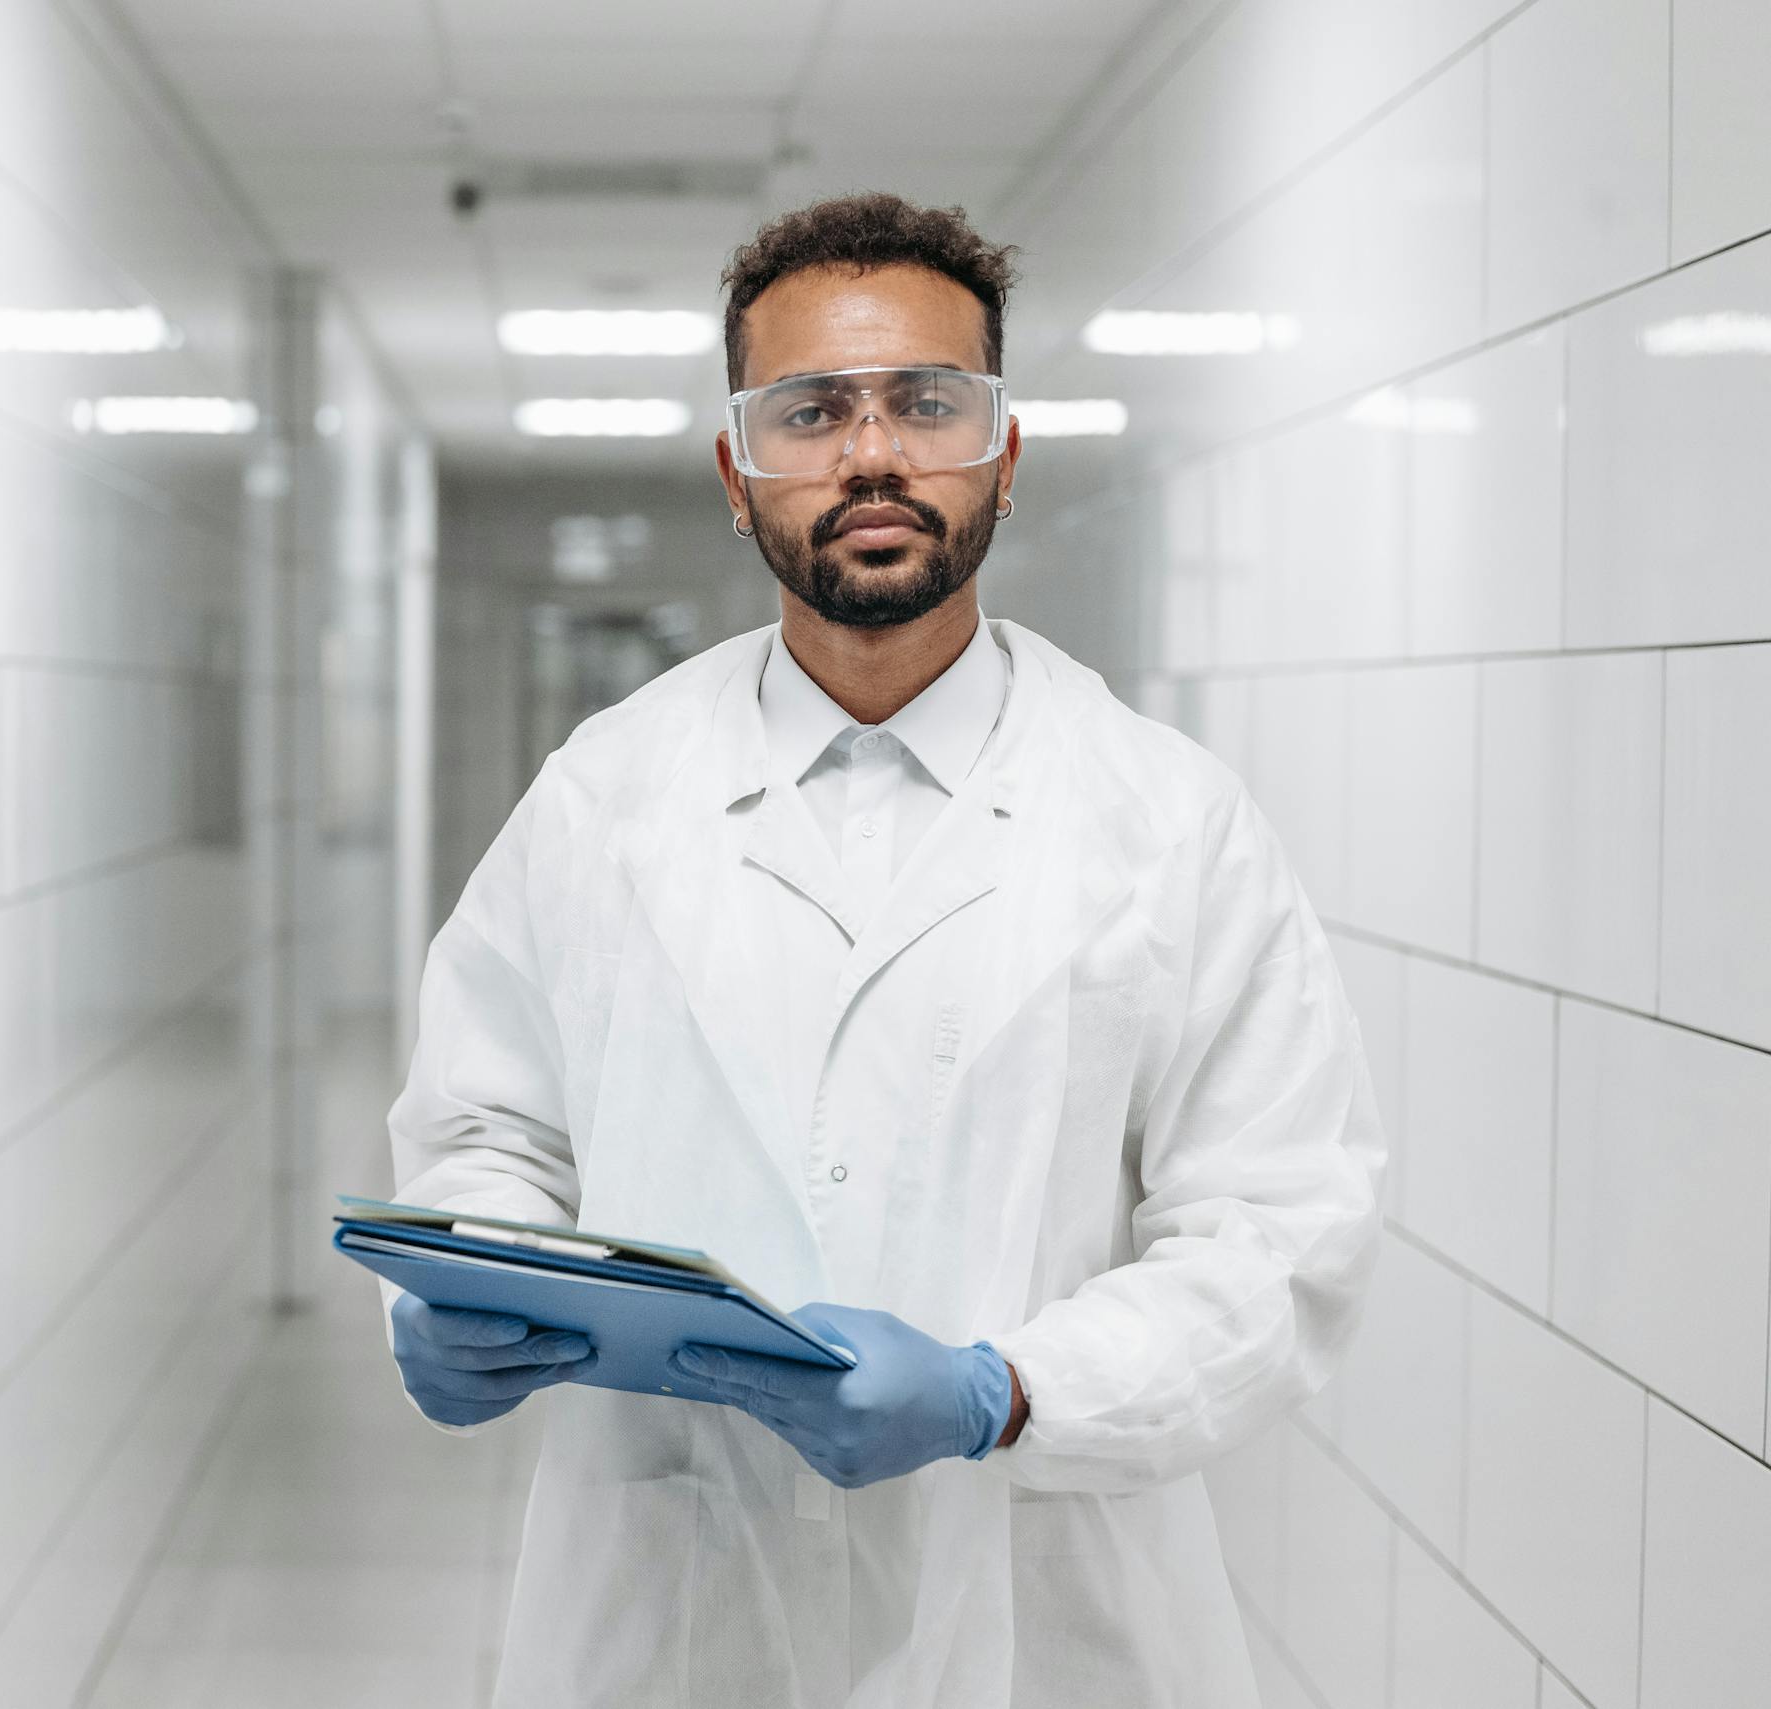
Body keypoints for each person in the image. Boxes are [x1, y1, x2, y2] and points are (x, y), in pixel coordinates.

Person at [380, 192, 1386, 1708]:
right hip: (671, 1613)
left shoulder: (1168, 822)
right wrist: (458, 1282)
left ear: (1003, 448)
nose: (870, 450)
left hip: (1042, 1623)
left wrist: (1009, 1393)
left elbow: (1281, 1235)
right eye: (810, 409)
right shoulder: (605, 795)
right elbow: (485, 1124)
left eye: (928, 401)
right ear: (737, 470)